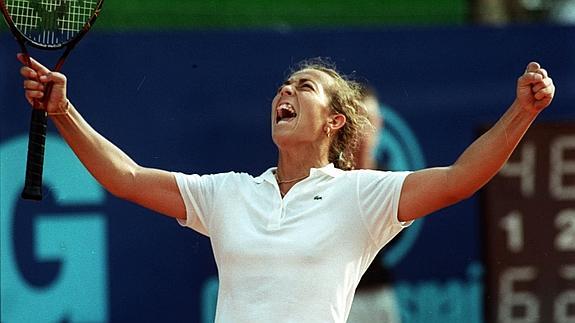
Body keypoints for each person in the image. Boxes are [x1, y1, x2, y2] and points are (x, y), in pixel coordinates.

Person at [18, 54, 555, 322]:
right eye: (283, 85)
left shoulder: (362, 197)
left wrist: (523, 111)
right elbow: (126, 178)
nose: (286, 90)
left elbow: (461, 180)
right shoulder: (228, 194)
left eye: (304, 87)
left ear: (335, 122)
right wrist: (62, 109)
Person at [347, 86, 402, 323]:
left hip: (379, 297)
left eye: (369, 120)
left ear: (379, 123)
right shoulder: (324, 180)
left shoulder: (391, 183)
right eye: (357, 121)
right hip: (336, 300)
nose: (363, 130)